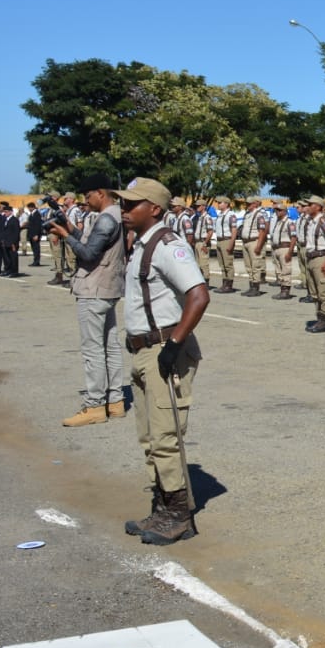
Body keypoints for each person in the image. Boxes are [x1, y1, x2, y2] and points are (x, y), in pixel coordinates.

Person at [116, 177, 209, 546]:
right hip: (143, 350)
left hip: (164, 349)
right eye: (123, 204)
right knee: (149, 437)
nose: (124, 210)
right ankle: (162, 506)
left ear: (154, 209)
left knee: (166, 435)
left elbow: (199, 295)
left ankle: (179, 515)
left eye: (131, 204)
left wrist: (174, 344)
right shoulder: (141, 244)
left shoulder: (169, 246)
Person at [47, 175, 127, 426]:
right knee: (111, 346)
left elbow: (89, 253)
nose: (86, 200)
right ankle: (115, 401)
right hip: (108, 287)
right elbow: (93, 243)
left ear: (101, 193)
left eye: (88, 195)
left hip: (94, 288)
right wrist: (71, 228)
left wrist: (64, 234)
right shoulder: (116, 216)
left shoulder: (105, 218)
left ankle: (94, 405)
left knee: (93, 350)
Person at [298, 195, 325, 332]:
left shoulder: (324, 222)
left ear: (318, 207)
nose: (308, 207)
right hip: (310, 258)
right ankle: (319, 318)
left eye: (311, 205)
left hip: (321, 258)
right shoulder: (310, 222)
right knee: (314, 292)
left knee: (323, 291)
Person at [238, 196, 269, 297]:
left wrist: (259, 246)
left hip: (254, 241)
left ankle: (256, 287)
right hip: (246, 241)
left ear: (255, 204)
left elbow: (262, 231)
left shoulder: (259, 215)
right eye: (246, 204)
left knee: (255, 265)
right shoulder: (247, 214)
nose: (247, 206)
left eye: (249, 204)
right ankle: (251, 286)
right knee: (248, 266)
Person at [267, 200, 298, 300]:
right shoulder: (277, 222)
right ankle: (282, 289)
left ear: (284, 211)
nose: (277, 212)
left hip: (285, 248)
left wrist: (290, 251)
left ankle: (286, 291)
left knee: (286, 270)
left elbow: (293, 237)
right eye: (276, 210)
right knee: (279, 270)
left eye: (279, 210)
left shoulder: (289, 222)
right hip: (276, 248)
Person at [211, 196, 237, 293]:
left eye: (220, 203)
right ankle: (224, 283)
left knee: (228, 264)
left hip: (226, 240)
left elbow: (234, 231)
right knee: (222, 264)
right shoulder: (220, 215)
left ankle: (229, 285)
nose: (218, 204)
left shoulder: (231, 215)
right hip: (219, 240)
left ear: (226, 204)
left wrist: (231, 244)